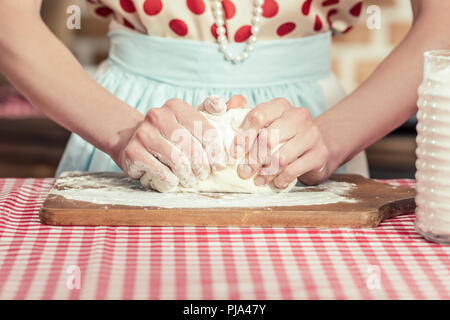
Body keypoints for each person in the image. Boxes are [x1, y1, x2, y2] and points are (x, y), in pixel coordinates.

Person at [0, 1, 448, 191]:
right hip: (127, 124)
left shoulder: (323, 139)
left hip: (309, 130)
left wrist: (331, 139)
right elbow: (9, 22)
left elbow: (440, 23)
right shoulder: (125, 133)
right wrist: (122, 135)